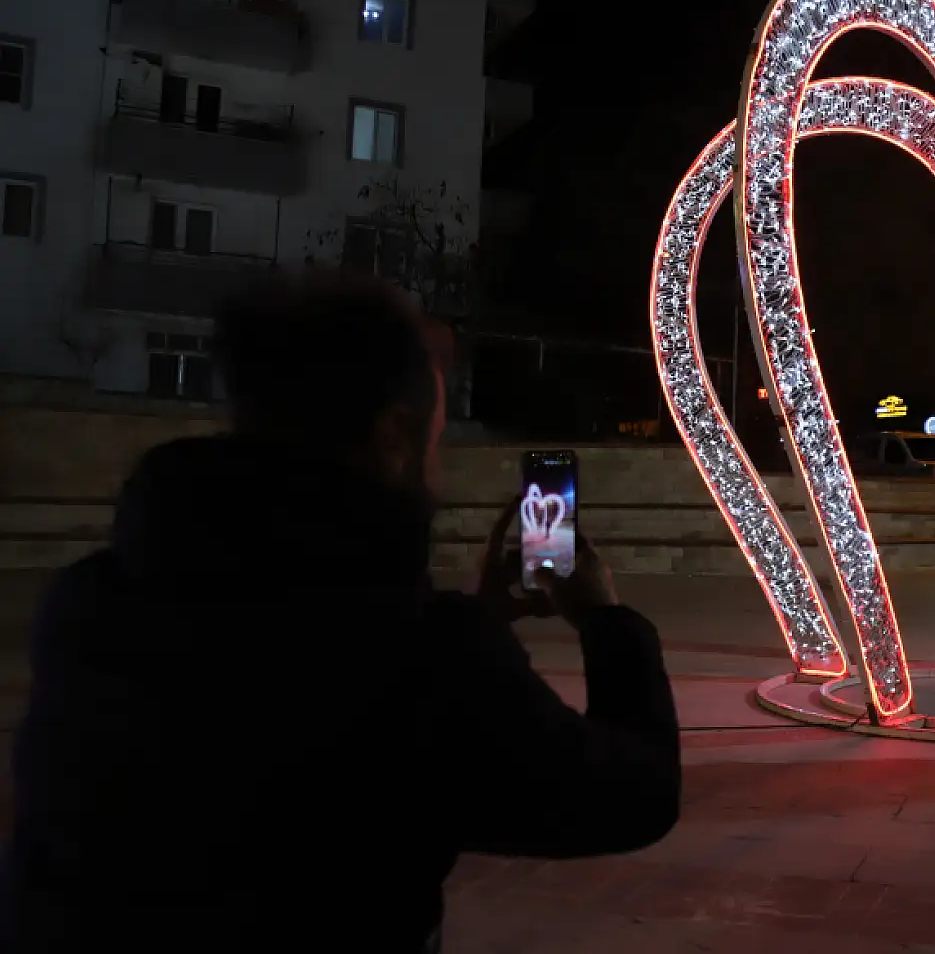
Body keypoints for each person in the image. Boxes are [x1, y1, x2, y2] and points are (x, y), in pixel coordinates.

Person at [0, 274, 681, 951]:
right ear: (393, 437)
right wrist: (604, 620)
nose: (438, 469)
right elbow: (635, 794)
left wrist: (470, 622)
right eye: (435, 439)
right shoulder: (425, 659)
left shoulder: (90, 602)